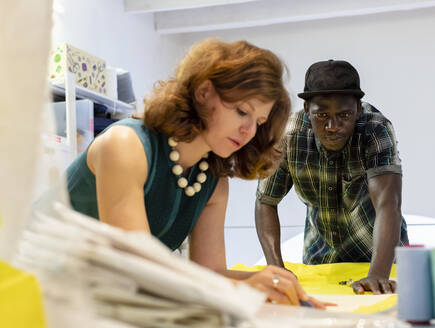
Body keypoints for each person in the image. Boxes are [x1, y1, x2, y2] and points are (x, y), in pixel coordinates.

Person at [66, 38, 327, 308]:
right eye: (241, 112)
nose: (249, 131)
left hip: (94, 297)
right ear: (204, 92)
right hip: (43, 289)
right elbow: (137, 268)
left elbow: (210, 273)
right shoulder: (124, 145)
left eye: (258, 122)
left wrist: (271, 280)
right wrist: (247, 285)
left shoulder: (212, 178)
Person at [255, 59, 409, 295]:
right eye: (322, 115)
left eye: (344, 115)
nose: (332, 126)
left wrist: (378, 274)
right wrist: (276, 267)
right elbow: (265, 201)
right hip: (320, 261)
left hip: (383, 262)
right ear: (307, 110)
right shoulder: (289, 134)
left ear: (358, 108)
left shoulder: (376, 129)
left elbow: (388, 204)